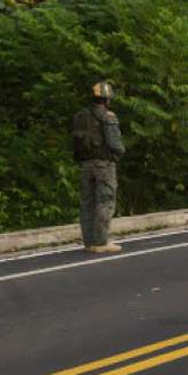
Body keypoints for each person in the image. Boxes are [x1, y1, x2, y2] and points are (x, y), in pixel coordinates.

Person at [72, 81, 125, 254]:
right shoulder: (108, 116)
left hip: (85, 165)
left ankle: (89, 242)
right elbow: (114, 143)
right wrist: (118, 155)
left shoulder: (80, 116)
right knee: (105, 201)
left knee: (87, 202)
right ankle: (101, 241)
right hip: (104, 164)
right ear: (107, 99)